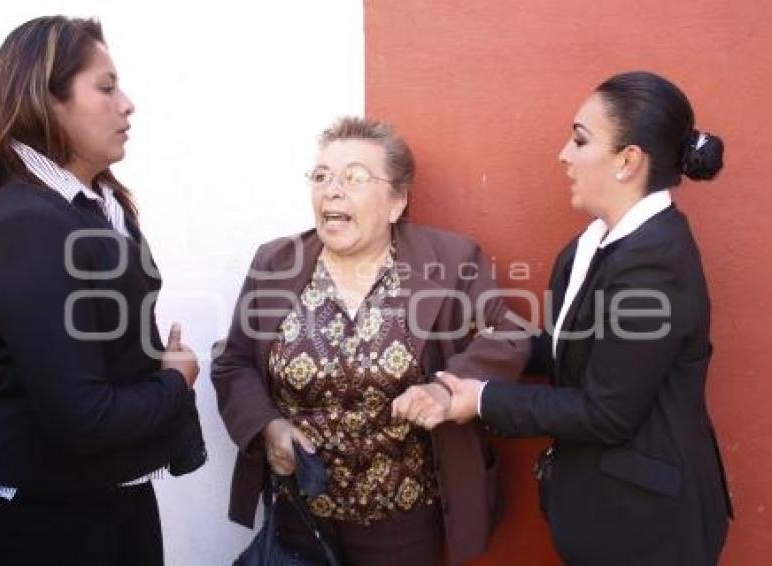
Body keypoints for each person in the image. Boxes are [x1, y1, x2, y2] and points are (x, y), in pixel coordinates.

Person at [394, 71, 733, 565]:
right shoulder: (594, 242)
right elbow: (566, 346)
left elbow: (605, 413)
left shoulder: (657, 264)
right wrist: (477, 339)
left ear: (627, 161)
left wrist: (483, 399)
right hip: (605, 515)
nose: (563, 154)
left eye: (580, 140)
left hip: (649, 532)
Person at [212, 116, 528, 566]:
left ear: (397, 201)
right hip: (301, 511)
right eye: (321, 177)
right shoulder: (275, 262)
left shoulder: (451, 260)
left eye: (354, 177)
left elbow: (510, 333)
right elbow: (235, 362)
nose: (332, 190)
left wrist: (446, 388)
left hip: (402, 519)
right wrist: (268, 427)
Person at [0, 16, 205, 565]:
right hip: (35, 515)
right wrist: (174, 380)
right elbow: (81, 416)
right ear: (48, 100)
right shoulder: (27, 224)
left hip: (108, 491)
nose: (128, 103)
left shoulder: (99, 203)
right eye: (107, 86)